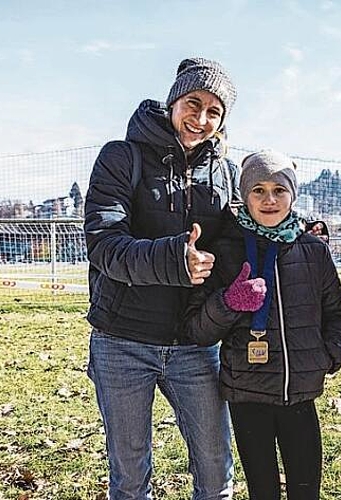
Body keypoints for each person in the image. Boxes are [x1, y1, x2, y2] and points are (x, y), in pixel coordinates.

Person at [84, 57, 238, 499]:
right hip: (123, 342)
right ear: (173, 100)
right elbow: (104, 245)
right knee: (130, 477)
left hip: (195, 344)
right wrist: (175, 260)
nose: (201, 118)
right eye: (194, 103)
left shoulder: (225, 173)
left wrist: (296, 237)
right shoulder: (121, 157)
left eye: (214, 112)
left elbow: (235, 243)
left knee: (215, 470)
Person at [183, 150, 341, 500]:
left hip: (300, 394)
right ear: (245, 196)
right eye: (258, 190)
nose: (269, 199)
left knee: (306, 489)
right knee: (263, 491)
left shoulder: (312, 251)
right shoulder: (227, 251)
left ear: (293, 194)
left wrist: (330, 354)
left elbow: (336, 309)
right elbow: (198, 329)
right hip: (247, 398)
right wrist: (228, 302)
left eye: (279, 189)